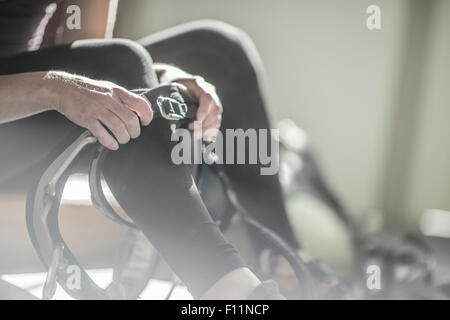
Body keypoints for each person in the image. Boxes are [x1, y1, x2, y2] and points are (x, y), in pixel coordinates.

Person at [0, 0, 301, 299]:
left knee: (217, 50)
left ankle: (292, 272)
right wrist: (52, 88)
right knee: (119, 62)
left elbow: (86, 54)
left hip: (27, 119)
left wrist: (158, 74)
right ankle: (226, 287)